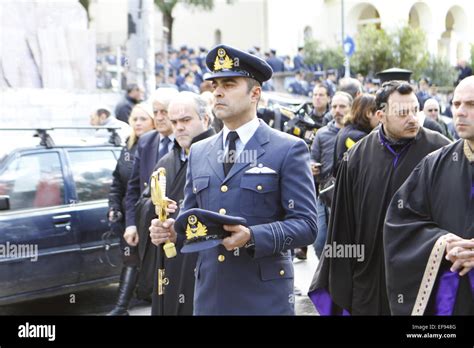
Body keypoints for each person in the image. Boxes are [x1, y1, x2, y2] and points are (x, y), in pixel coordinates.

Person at [149, 44, 318, 315]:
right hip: (210, 295)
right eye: (215, 84)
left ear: (255, 93)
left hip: (262, 298)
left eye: (229, 84)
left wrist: (252, 236)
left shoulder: (287, 148)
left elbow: (307, 226)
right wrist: (172, 230)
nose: (217, 91)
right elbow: (194, 220)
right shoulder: (200, 151)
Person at [308, 79, 451, 315]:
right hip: (369, 280)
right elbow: (343, 226)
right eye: (403, 112)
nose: (413, 118)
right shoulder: (356, 158)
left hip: (423, 281)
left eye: (415, 110)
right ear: (380, 115)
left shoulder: (441, 152)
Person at [384, 75, 474, 315]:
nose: (461, 112)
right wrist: (445, 243)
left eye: (471, 105)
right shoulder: (434, 165)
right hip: (452, 299)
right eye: (456, 104)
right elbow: (400, 222)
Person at [138, 92, 216, 315]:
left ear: (206, 119)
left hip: (203, 260)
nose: (179, 127)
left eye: (186, 120)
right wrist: (155, 219)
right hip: (170, 259)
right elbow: (146, 201)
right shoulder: (167, 161)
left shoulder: (221, 156)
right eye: (174, 122)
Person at [124, 87, 179, 300]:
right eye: (155, 112)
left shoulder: (188, 141)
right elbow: (133, 189)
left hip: (179, 231)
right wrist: (131, 223)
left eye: (164, 112)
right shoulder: (147, 141)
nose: (159, 117)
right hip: (151, 230)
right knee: (156, 291)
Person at [107, 103, 155, 315]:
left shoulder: (158, 147)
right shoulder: (128, 146)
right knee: (131, 259)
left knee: (149, 262)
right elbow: (118, 182)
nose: (137, 123)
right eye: (134, 119)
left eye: (142, 119)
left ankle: (127, 305)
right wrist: (114, 206)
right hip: (130, 217)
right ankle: (122, 307)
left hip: (150, 215)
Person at [309, 91, 352, 260]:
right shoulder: (322, 133)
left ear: (351, 108)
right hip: (324, 195)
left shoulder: (358, 134)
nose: (337, 110)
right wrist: (311, 166)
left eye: (342, 106)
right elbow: (312, 157)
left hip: (348, 197)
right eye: (334, 106)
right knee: (320, 243)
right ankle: (326, 277)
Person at [333, 94, 379, 174]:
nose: (381, 117)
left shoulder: (345, 130)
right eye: (378, 113)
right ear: (368, 113)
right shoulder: (359, 137)